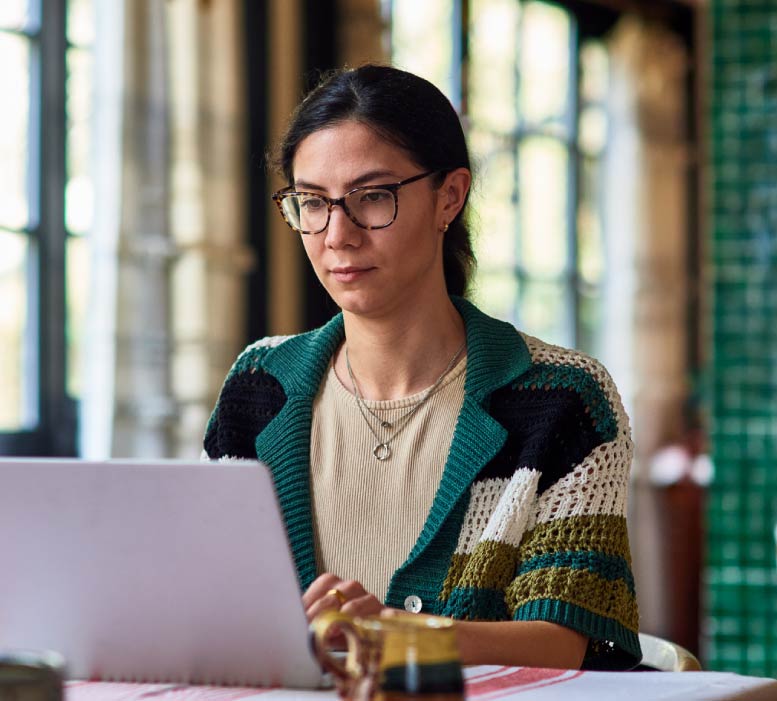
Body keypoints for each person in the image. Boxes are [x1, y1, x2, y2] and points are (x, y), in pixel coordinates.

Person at [204, 64, 641, 670]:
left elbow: (563, 640)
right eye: (311, 202)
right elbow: (215, 601)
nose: (338, 234)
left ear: (449, 197)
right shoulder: (258, 388)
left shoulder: (563, 398)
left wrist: (399, 633)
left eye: (372, 197)